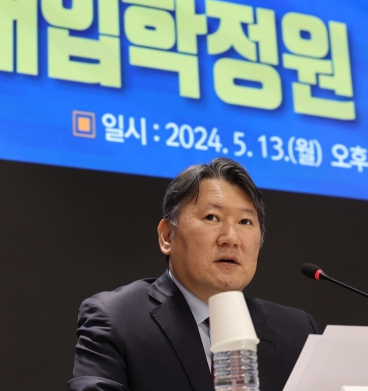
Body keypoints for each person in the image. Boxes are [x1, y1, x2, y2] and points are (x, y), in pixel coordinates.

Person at [69, 158, 319, 391]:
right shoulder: (117, 319)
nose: (231, 238)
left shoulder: (296, 332)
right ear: (167, 236)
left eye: (245, 222)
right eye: (212, 217)